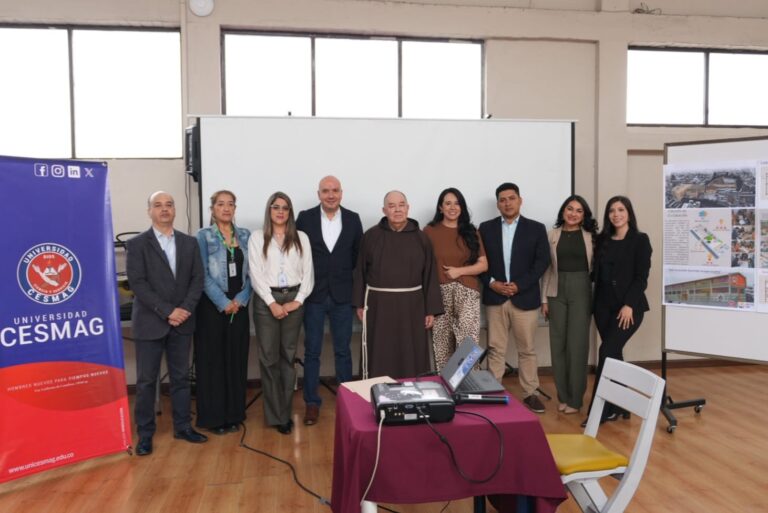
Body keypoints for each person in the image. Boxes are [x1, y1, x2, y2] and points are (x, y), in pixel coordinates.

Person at [126, 191, 207, 456]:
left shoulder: (189, 243)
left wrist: (183, 309)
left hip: (182, 321)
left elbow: (197, 279)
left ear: (174, 210)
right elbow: (138, 284)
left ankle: (183, 427)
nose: (164, 209)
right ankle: (145, 434)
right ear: (149, 211)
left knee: (181, 378)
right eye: (158, 205)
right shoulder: (137, 244)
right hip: (151, 322)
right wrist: (168, 311)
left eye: (169, 205)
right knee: (147, 381)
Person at [353, 191, 443, 379]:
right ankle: (376, 388)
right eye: (392, 206)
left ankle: (413, 389)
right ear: (384, 210)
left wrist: (430, 310)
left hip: (412, 306)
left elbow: (429, 274)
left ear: (408, 208)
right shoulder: (371, 236)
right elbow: (360, 271)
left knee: (411, 351)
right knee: (380, 350)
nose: (397, 210)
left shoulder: (421, 238)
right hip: (378, 306)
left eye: (401, 205)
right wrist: (360, 304)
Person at [296, 176, 363, 426]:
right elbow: (296, 253)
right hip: (313, 295)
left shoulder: (353, 219)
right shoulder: (305, 218)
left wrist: (358, 299)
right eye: (326, 191)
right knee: (312, 351)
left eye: (335, 190)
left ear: (341, 193)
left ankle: (346, 402)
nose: (331, 195)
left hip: (343, 297)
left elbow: (358, 260)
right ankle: (311, 403)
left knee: (342, 351)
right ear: (319, 194)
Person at [479, 183, 550, 413]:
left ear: (520, 200)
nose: (507, 203)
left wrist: (519, 285)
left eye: (511, 198)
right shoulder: (485, 228)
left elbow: (541, 262)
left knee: (527, 349)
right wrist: (492, 283)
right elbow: (478, 261)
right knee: (495, 348)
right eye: (502, 199)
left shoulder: (536, 229)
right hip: (495, 297)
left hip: (525, 298)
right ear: (498, 203)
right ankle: (493, 391)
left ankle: (530, 393)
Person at [248, 192, 314, 435]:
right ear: (269, 210)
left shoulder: (301, 238)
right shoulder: (257, 237)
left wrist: (297, 300)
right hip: (267, 301)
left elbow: (308, 272)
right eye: (275, 207)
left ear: (290, 212)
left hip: (294, 300)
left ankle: (285, 414)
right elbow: (255, 272)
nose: (280, 211)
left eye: (285, 208)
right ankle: (274, 414)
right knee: (268, 358)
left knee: (288, 357)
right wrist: (271, 303)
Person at [583, 195, 652, 426]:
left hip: (628, 308)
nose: (616, 214)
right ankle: (621, 406)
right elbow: (596, 274)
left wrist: (629, 304)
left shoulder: (640, 240)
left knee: (606, 351)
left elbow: (641, 278)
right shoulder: (602, 239)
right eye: (612, 210)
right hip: (602, 307)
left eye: (621, 209)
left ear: (629, 213)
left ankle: (599, 411)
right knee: (614, 355)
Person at [194, 190, 252, 435]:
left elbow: (253, 272)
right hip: (212, 307)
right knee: (213, 363)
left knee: (236, 359)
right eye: (221, 204)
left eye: (230, 204)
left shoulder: (246, 235)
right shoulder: (203, 236)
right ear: (212, 209)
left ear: (235, 209)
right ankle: (215, 418)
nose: (226, 208)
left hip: (239, 305)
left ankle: (234, 414)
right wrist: (222, 301)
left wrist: (240, 299)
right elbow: (201, 274)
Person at [540, 195, 597, 415]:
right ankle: (562, 396)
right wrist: (544, 299)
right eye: (569, 209)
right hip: (556, 291)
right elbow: (547, 270)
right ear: (563, 211)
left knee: (577, 345)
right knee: (558, 345)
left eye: (579, 210)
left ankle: (575, 399)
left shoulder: (591, 237)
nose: (573, 213)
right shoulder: (552, 235)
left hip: (582, 290)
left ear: (584, 215)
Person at [424, 188, 488, 371]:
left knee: (467, 344)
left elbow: (483, 264)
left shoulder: (471, 231)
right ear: (440, 208)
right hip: (439, 294)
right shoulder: (429, 231)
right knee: (442, 344)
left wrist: (459, 271)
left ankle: (470, 388)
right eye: (448, 203)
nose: (453, 207)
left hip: (467, 292)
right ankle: (446, 391)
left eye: (457, 203)